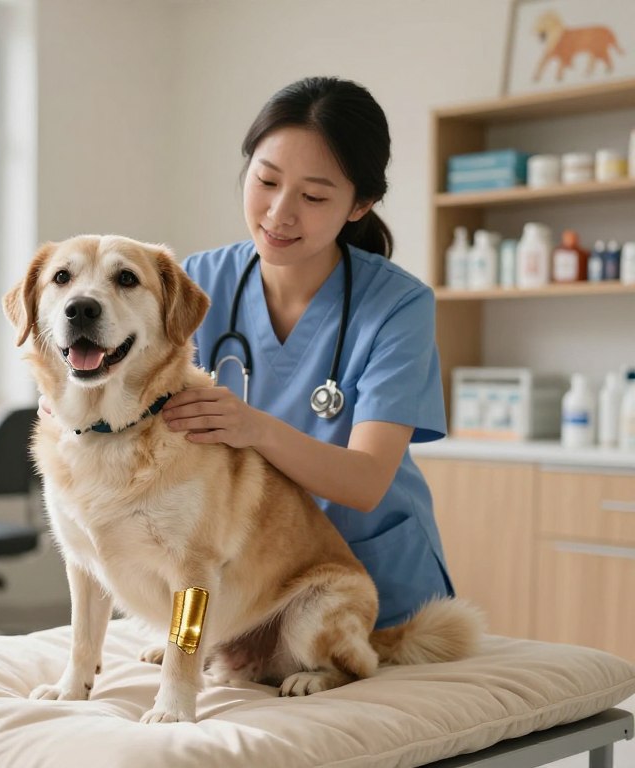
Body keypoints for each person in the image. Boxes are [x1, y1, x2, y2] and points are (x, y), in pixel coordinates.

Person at [160, 76, 454, 630]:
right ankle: (187, 641)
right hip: (244, 585)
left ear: (360, 204)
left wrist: (253, 427)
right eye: (266, 180)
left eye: (314, 196)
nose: (278, 212)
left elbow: (366, 482)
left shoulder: (398, 305)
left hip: (368, 596)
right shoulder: (196, 283)